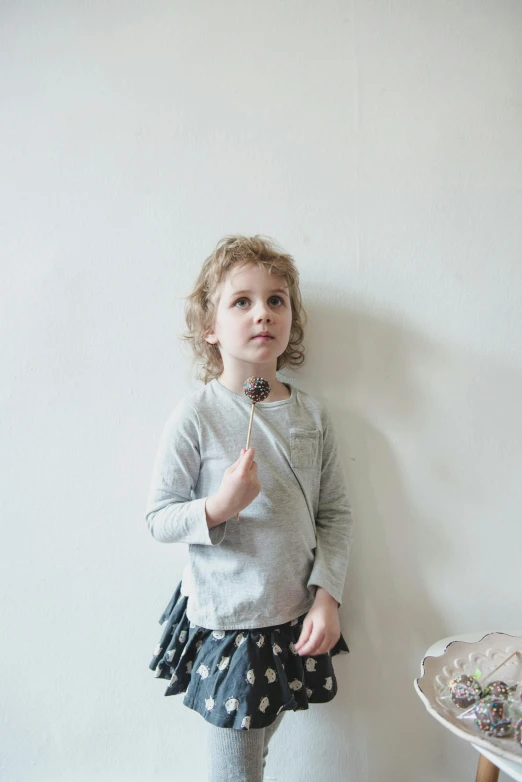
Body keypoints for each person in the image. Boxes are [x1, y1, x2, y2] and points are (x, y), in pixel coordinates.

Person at [145, 235, 354, 781]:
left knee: (256, 755)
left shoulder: (312, 415)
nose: (263, 312)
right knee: (235, 771)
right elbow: (159, 517)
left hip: (294, 618)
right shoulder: (196, 415)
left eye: (276, 300)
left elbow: (335, 514)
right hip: (229, 623)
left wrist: (327, 595)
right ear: (210, 327)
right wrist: (219, 506)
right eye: (242, 301)